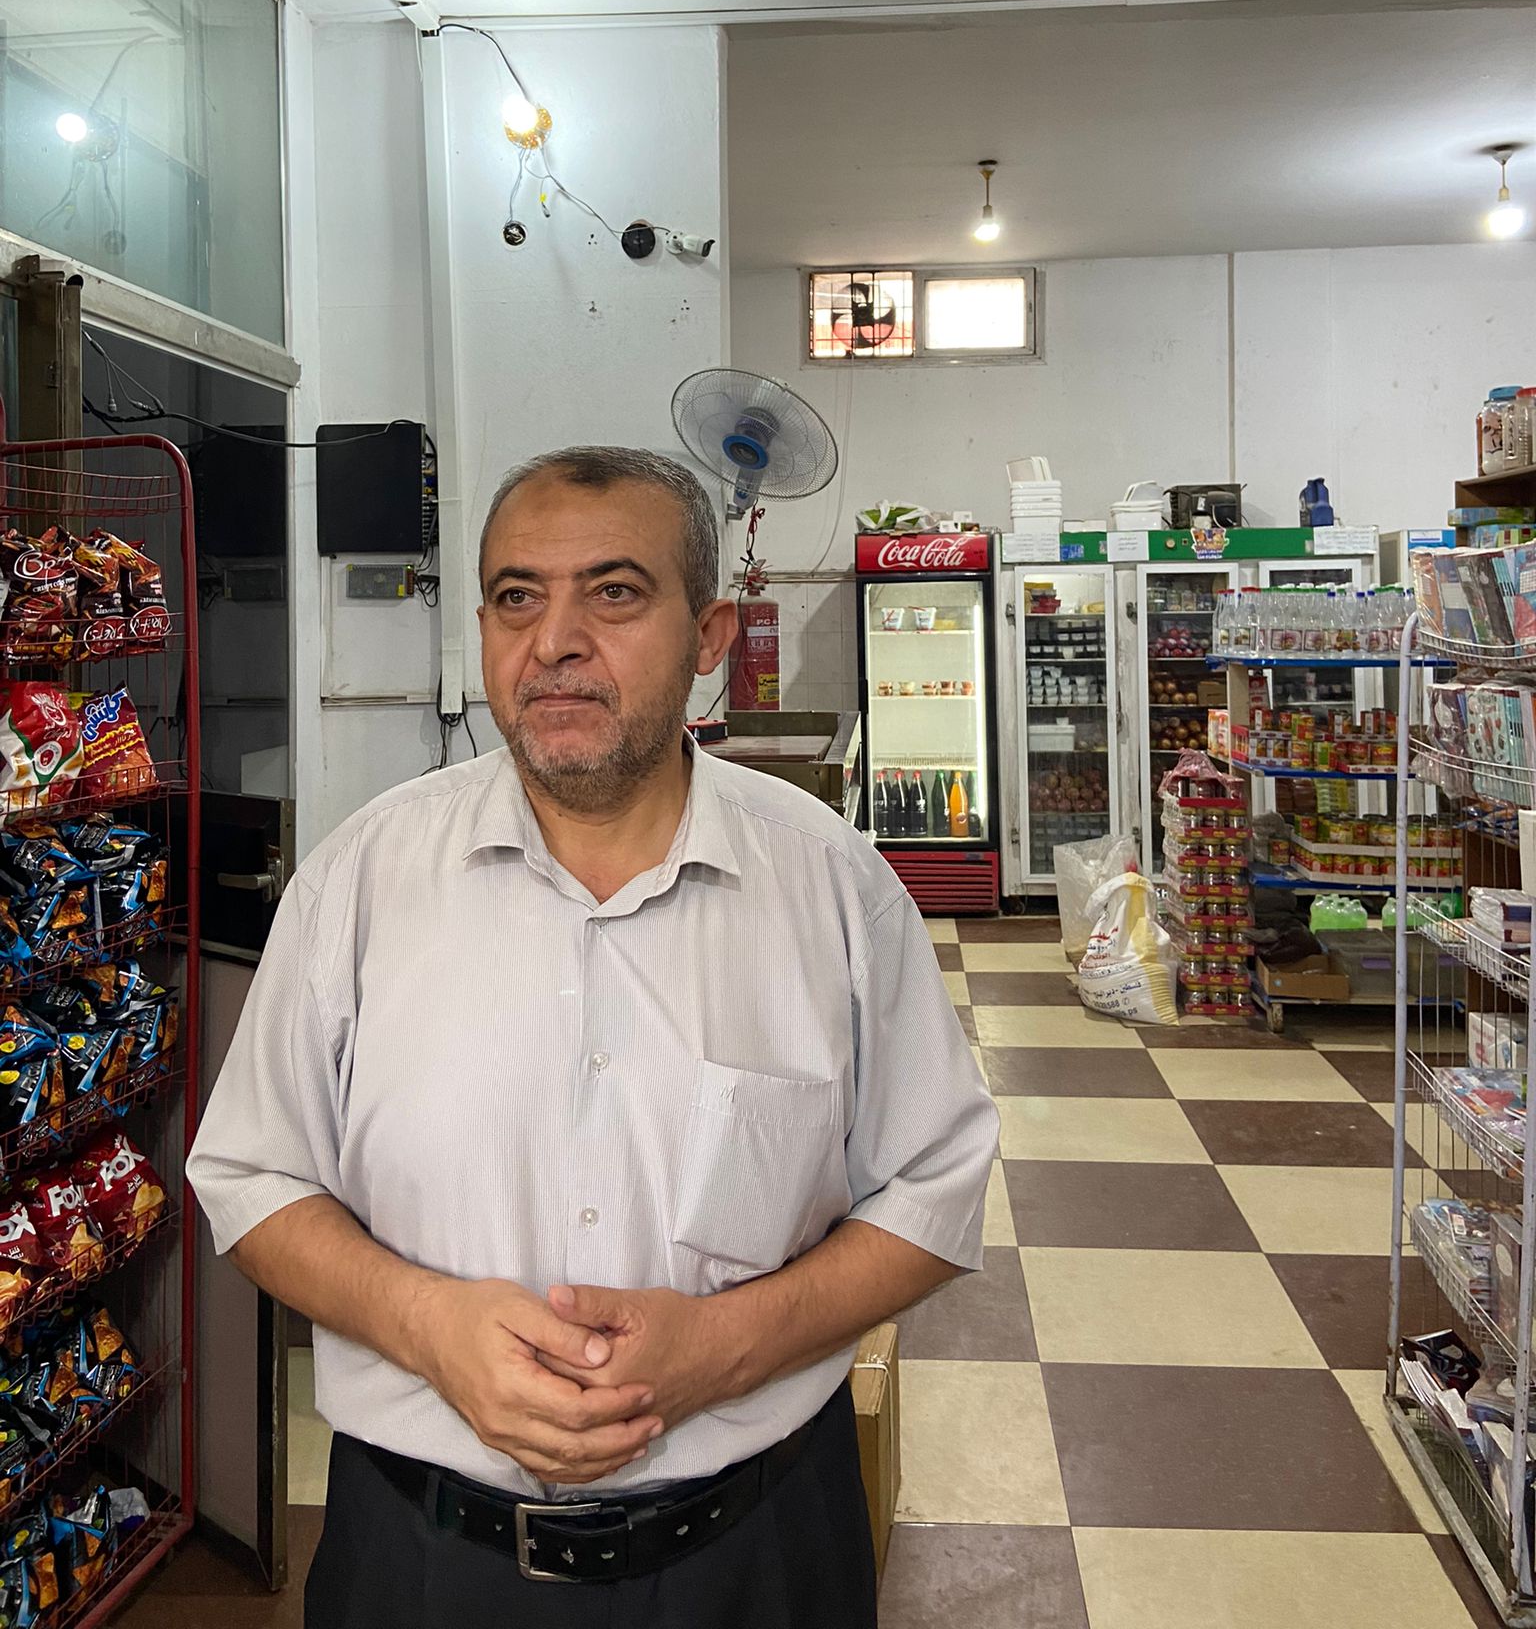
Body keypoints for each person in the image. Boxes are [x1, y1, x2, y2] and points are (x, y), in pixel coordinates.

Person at [189, 446, 998, 1628]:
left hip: (758, 1550)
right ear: (482, 626)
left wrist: (722, 1346)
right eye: (517, 596)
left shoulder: (831, 887)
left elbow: (933, 1189)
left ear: (709, 633)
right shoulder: (361, 880)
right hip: (420, 1559)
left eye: (614, 592)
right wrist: (428, 1326)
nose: (555, 640)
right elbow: (254, 1175)